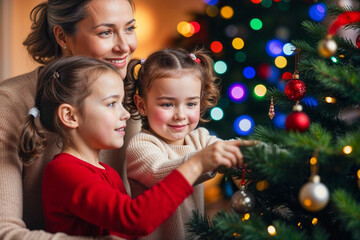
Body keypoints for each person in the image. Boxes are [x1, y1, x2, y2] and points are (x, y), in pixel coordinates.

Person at [18, 56, 245, 239]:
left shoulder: (107, 172)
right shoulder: (64, 171)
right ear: (70, 115)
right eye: (111, 104)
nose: (126, 114)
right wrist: (197, 164)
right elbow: (134, 219)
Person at [0, 0, 139, 239]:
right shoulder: (9, 103)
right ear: (62, 37)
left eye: (129, 28)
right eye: (106, 32)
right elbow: (4, 231)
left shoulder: (140, 96)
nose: (125, 46)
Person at [124, 48, 257, 240]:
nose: (180, 115)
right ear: (141, 105)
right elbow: (161, 173)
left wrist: (257, 152)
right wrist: (204, 160)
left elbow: (228, 147)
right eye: (167, 104)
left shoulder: (199, 138)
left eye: (191, 104)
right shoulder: (141, 145)